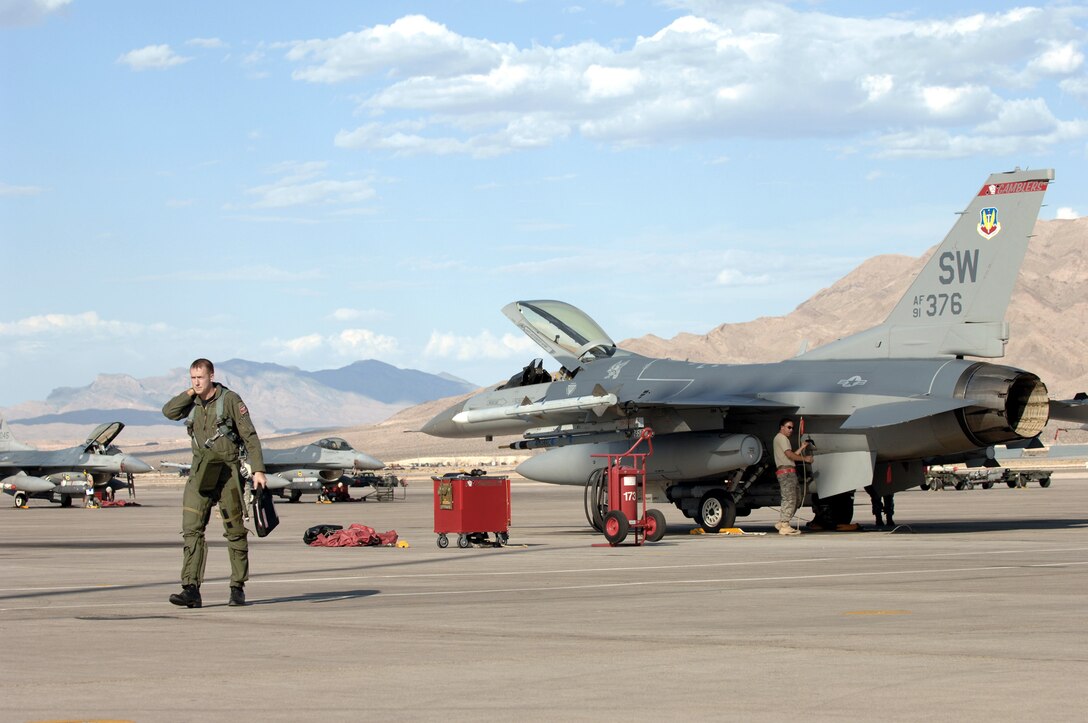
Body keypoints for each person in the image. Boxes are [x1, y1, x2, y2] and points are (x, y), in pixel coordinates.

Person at [162, 359, 267, 608]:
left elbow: (249, 436)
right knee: (191, 530)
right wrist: (190, 393)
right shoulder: (194, 402)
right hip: (200, 474)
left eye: (200, 378)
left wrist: (258, 470)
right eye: (192, 378)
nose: (197, 382)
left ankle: (237, 587)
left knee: (235, 531)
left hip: (227, 474)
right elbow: (169, 412)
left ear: (212, 376)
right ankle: (191, 588)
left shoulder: (229, 400)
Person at [772, 417, 813, 535]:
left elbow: (791, 455)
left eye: (792, 428)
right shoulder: (781, 438)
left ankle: (782, 522)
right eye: (789, 427)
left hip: (789, 472)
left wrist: (802, 447)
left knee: (797, 498)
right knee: (789, 498)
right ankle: (785, 524)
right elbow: (789, 455)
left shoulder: (782, 439)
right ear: (782, 427)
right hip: (786, 473)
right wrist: (805, 459)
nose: (791, 430)